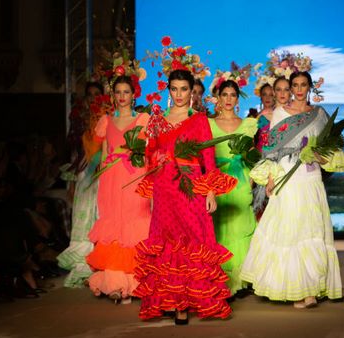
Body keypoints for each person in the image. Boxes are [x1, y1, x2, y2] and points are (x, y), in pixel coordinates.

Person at [133, 69, 235, 324]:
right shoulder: (158, 120)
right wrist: (153, 178)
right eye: (175, 89)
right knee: (166, 242)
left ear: (192, 92)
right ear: (169, 91)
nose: (179, 94)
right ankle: (172, 299)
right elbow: (151, 159)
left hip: (190, 186)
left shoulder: (200, 120)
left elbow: (208, 158)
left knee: (192, 242)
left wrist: (211, 190)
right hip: (165, 188)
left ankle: (185, 305)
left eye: (184, 89)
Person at [240, 71, 343, 308]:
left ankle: (311, 289)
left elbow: (330, 148)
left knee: (312, 229)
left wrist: (318, 154)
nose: (297, 89)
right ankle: (298, 289)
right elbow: (271, 151)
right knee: (292, 229)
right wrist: (269, 179)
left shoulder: (319, 115)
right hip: (287, 176)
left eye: (302, 85)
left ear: (309, 87)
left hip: (311, 176)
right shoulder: (280, 113)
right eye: (294, 85)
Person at [86, 75, 151, 303]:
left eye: (126, 92)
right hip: (111, 181)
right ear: (113, 96)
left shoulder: (144, 119)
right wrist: (101, 181)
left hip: (135, 176)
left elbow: (150, 151)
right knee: (114, 228)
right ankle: (114, 283)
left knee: (134, 227)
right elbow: (104, 154)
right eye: (118, 92)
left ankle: (135, 284)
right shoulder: (106, 121)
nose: (122, 97)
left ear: (134, 95)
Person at [208, 80, 257, 297]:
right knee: (220, 226)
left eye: (232, 95)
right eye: (224, 95)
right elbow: (205, 157)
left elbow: (253, 154)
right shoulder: (208, 124)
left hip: (242, 180)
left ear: (237, 99)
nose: (228, 99)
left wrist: (253, 181)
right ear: (218, 98)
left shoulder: (248, 124)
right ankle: (222, 279)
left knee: (240, 225)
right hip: (218, 181)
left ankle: (241, 278)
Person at [57, 82, 104, 288]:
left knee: (101, 216)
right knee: (83, 218)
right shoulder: (79, 120)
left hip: (104, 172)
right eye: (90, 94)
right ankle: (84, 265)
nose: (93, 98)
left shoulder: (107, 117)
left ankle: (100, 265)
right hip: (85, 172)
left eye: (97, 94)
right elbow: (74, 149)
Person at [256, 83, 275, 152]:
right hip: (260, 154)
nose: (268, 98)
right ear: (261, 97)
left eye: (271, 95)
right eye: (264, 94)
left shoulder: (281, 114)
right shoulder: (254, 117)